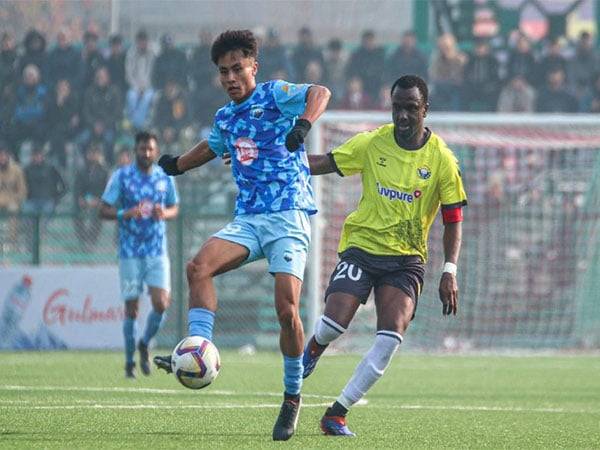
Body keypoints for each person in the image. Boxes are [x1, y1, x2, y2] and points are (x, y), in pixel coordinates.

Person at [152, 30, 331, 441]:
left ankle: (292, 397)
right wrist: (177, 164)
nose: (231, 77)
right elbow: (212, 146)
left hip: (288, 215)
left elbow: (320, 91)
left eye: (237, 68)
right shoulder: (226, 118)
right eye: (223, 72)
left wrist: (302, 127)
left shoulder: (274, 95)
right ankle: (198, 350)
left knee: (287, 311)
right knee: (198, 267)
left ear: (254, 67)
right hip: (249, 219)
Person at [302, 75, 467, 436]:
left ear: (425, 109)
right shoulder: (373, 143)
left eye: (411, 108)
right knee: (333, 326)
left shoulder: (442, 160)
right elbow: (324, 163)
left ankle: (337, 412)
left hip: (406, 259)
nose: (403, 116)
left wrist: (449, 270)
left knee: (390, 337)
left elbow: (453, 219)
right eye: (397, 108)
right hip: (362, 248)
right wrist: (269, 161)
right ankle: (314, 347)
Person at [100, 131, 179, 379]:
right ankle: (129, 363)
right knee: (132, 308)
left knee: (161, 303)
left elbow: (174, 206)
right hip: (130, 252)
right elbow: (103, 210)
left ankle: (145, 342)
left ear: (155, 151)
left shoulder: (164, 177)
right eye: (142, 149)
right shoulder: (122, 176)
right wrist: (126, 213)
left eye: (150, 149)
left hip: (156, 250)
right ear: (135, 150)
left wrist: (164, 213)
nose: (146, 153)